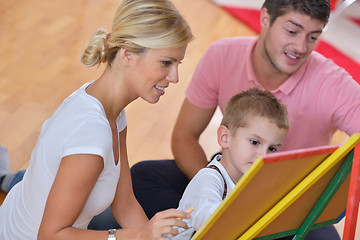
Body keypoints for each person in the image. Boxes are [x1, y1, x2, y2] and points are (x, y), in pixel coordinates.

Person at [130, 0, 360, 239]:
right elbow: (184, 135)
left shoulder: (335, 83)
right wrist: (219, 191)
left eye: (313, 37)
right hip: (231, 177)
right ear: (265, 19)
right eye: (292, 31)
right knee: (143, 177)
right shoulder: (222, 55)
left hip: (289, 203)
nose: (301, 47)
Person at [0, 0, 193, 239]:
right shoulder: (91, 131)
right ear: (128, 55)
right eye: (166, 62)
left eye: (178, 63)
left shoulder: (109, 108)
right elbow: (51, 236)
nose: (174, 77)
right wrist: (139, 235)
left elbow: (125, 203)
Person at [168, 88, 289, 239]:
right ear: (225, 138)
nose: (263, 156)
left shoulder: (251, 181)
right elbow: (209, 219)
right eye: (255, 142)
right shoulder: (209, 178)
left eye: (272, 148)